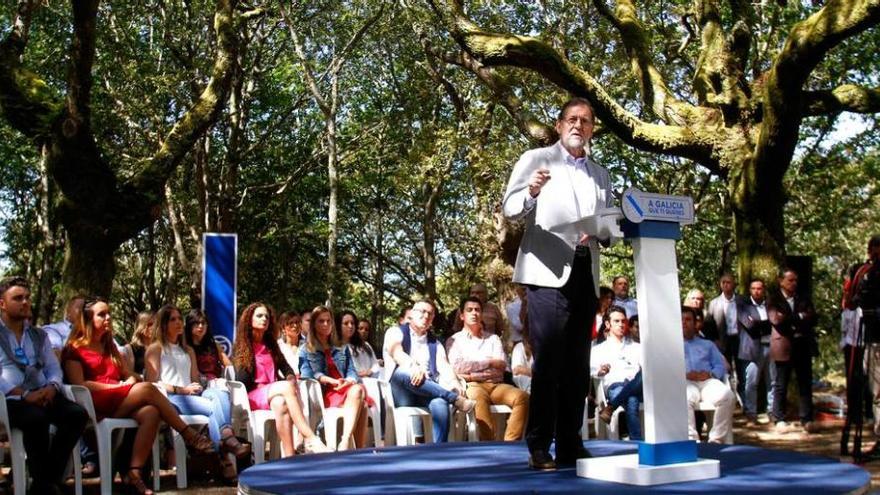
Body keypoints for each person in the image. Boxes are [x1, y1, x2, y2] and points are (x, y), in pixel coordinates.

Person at [502, 97, 612, 470]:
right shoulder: (536, 159)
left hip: (585, 272)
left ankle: (570, 442)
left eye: (585, 121)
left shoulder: (601, 173)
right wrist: (531, 192)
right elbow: (510, 208)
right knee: (548, 361)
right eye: (572, 120)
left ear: (592, 128)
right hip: (546, 273)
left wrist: (606, 232)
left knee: (579, 366)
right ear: (559, 124)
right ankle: (538, 446)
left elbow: (607, 222)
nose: (578, 126)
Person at [62, 297, 214, 495]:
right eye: (102, 314)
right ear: (87, 319)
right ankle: (188, 434)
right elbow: (79, 384)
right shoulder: (74, 349)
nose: (108, 318)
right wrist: (116, 386)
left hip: (119, 398)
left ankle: (134, 473)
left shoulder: (110, 347)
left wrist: (131, 381)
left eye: (109, 313)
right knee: (149, 389)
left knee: (151, 412)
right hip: (95, 402)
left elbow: (129, 374)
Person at [0, 277, 88, 495]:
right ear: (2, 304)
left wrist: (53, 386)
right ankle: (46, 482)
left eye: (27, 298)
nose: (25, 302)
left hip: (43, 393)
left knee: (76, 414)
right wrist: (23, 394)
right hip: (9, 399)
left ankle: (45, 480)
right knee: (36, 417)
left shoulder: (38, 335)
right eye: (18, 298)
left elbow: (52, 367)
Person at [144, 305, 248, 482]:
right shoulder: (155, 349)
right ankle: (224, 454)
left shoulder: (188, 350)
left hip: (192, 397)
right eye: (172, 319)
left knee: (219, 393)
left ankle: (224, 443)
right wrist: (180, 390)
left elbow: (195, 379)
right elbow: (152, 383)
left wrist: (202, 385)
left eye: (179, 319)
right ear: (163, 324)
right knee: (216, 406)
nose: (178, 323)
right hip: (170, 399)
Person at [232, 302, 329, 456]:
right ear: (249, 320)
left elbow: (286, 368)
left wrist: (290, 376)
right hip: (252, 395)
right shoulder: (243, 346)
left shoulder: (270, 345)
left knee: (281, 402)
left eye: (266, 316)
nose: (264, 319)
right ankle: (309, 437)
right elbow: (241, 381)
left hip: (273, 394)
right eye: (259, 316)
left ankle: (289, 457)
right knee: (285, 387)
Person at [382, 299, 475, 443]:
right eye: (422, 311)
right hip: (401, 392)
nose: (426, 316)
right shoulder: (395, 332)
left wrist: (455, 384)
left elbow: (444, 366)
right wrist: (414, 367)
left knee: (440, 403)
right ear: (412, 314)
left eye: (430, 314)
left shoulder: (435, 343)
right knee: (402, 372)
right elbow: (397, 353)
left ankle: (438, 450)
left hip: (427, 390)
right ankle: (453, 398)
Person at [446, 296, 529, 441]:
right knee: (477, 398)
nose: (474, 313)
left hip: (496, 385)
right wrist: (490, 362)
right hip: (472, 385)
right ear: (462, 316)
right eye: (469, 310)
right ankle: (490, 443)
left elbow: (501, 366)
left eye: (477, 310)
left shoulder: (493, 339)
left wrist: (471, 372)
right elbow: (458, 367)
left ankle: (510, 443)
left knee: (522, 397)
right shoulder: (454, 340)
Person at [300, 306, 370, 450]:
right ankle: (353, 446)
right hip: (325, 392)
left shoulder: (342, 347)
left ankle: (346, 441)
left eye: (328, 321)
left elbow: (352, 372)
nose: (326, 325)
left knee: (357, 390)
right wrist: (329, 380)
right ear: (313, 324)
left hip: (346, 389)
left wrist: (348, 381)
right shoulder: (306, 349)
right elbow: (307, 375)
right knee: (361, 401)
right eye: (321, 321)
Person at [767, 268, 818, 433]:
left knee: (805, 384)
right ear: (781, 281)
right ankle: (779, 418)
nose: (794, 283)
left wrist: (791, 318)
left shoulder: (803, 297)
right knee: (780, 384)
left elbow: (813, 318)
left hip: (802, 346)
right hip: (783, 346)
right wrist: (800, 317)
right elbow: (776, 320)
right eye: (790, 280)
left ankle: (807, 419)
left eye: (795, 280)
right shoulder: (773, 299)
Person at [682, 306, 735, 443]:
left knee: (727, 396)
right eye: (681, 319)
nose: (684, 323)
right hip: (685, 382)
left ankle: (716, 440)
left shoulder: (708, 345)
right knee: (684, 397)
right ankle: (692, 441)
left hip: (707, 381)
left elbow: (720, 365)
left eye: (688, 320)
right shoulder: (670, 346)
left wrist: (710, 374)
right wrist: (685, 375)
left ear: (695, 323)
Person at [591, 305, 643, 441]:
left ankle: (610, 408)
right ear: (608, 324)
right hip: (615, 387)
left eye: (623, 321)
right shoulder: (599, 349)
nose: (621, 324)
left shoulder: (637, 347)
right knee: (632, 399)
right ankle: (637, 441)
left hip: (638, 387)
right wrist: (600, 371)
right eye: (617, 321)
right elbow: (591, 371)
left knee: (643, 376)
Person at [737, 278, 775, 425]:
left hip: (771, 347)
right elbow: (750, 325)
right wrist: (766, 324)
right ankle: (751, 413)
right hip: (752, 350)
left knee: (772, 381)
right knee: (751, 382)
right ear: (750, 290)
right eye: (754, 288)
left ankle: (772, 411)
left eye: (760, 288)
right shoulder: (743, 306)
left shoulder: (770, 306)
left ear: (764, 290)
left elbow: (776, 322)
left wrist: (758, 324)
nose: (757, 291)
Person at [707, 273, 743, 402]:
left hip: (740, 340)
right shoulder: (714, 303)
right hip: (722, 342)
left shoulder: (742, 300)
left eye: (729, 282)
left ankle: (743, 402)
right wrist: (714, 341)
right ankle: (725, 398)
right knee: (724, 370)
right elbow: (709, 326)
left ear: (734, 284)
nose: (726, 285)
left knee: (742, 371)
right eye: (723, 282)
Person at [185, 309, 232, 381]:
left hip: (215, 385)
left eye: (203, 323)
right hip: (192, 385)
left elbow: (229, 366)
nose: (200, 326)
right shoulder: (183, 346)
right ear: (190, 325)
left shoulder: (214, 345)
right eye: (197, 323)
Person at [338, 310, 381, 378]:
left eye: (352, 323)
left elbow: (376, 365)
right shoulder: (339, 349)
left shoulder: (365, 345)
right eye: (346, 323)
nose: (350, 326)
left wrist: (369, 372)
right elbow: (342, 369)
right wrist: (357, 374)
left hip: (371, 382)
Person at [124, 311, 155, 376]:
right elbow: (127, 374)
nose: (153, 327)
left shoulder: (160, 348)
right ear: (141, 327)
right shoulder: (130, 349)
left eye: (155, 324)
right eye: (150, 324)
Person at [505, 285, 526, 350]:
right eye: (523, 289)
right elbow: (520, 326)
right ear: (517, 290)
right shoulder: (511, 307)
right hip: (520, 342)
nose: (526, 292)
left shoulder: (536, 303)